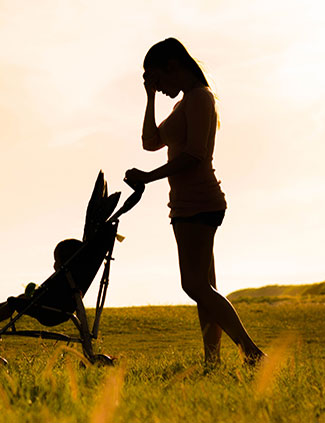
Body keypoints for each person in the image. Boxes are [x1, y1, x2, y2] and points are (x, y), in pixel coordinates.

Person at [124, 38, 265, 366]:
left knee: (194, 285)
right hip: (185, 203)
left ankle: (251, 352)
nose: (158, 88)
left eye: (157, 80)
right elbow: (149, 142)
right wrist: (148, 97)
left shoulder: (200, 98)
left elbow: (194, 155)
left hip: (200, 201)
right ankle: (212, 362)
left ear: (174, 66)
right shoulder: (182, 103)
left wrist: (147, 177)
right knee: (205, 288)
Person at [0, 238, 84, 332]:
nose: (53, 264)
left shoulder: (65, 279)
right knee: (21, 298)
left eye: (56, 260)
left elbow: (53, 295)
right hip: (53, 309)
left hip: (51, 312)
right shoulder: (71, 279)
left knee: (14, 302)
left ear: (65, 262)